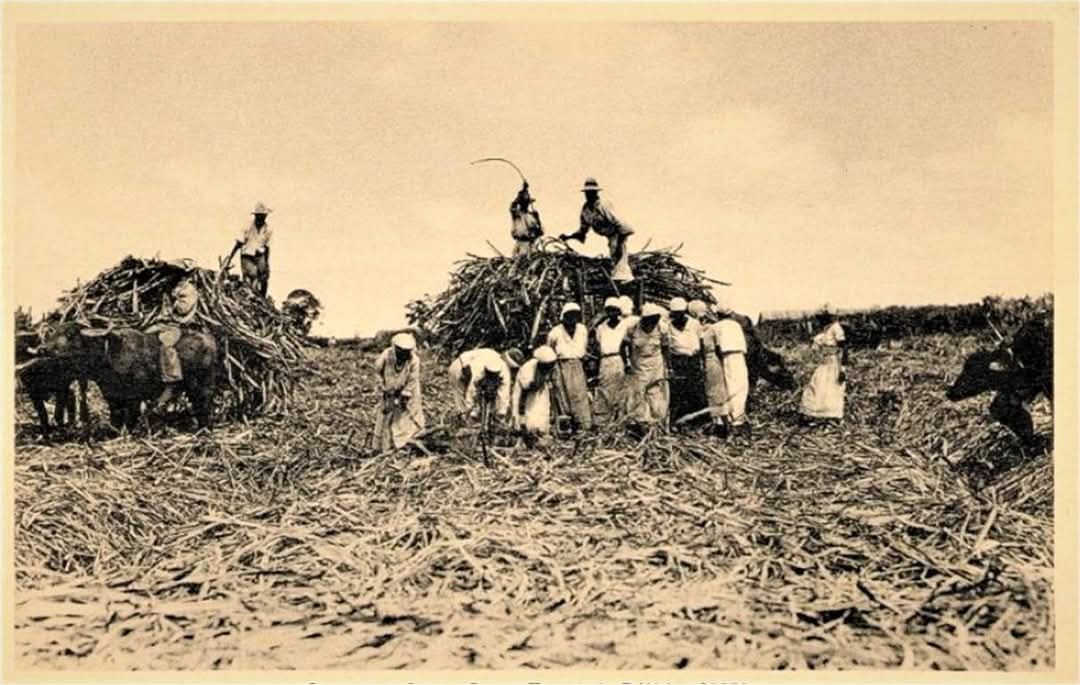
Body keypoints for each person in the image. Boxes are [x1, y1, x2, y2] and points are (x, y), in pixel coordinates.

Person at [560, 177, 636, 286]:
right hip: (608, 234)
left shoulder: (603, 206)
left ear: (596, 193)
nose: (589, 195)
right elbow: (583, 230)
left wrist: (620, 240)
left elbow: (619, 222)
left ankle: (624, 279)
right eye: (587, 193)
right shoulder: (586, 210)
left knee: (618, 254)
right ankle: (616, 277)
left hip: (617, 231)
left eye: (592, 192)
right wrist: (568, 237)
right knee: (613, 254)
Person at [147, 275, 200, 413]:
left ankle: (172, 378)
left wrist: (175, 301)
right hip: (164, 323)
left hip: (179, 325)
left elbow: (184, 309)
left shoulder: (188, 289)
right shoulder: (170, 289)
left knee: (167, 344)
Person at [704, 293, 751, 437]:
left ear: (718, 314)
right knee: (740, 387)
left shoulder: (715, 327)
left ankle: (730, 421)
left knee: (729, 388)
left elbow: (717, 347)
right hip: (740, 358)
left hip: (726, 357)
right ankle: (737, 419)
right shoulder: (736, 325)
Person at [546, 302, 593, 432]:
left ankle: (582, 426)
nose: (572, 319)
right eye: (569, 315)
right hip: (560, 366)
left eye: (575, 315)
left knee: (579, 395)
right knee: (562, 396)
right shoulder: (555, 332)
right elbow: (549, 351)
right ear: (564, 316)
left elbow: (584, 347)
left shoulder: (582, 330)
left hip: (577, 365)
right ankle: (566, 428)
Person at [374, 332, 425, 450]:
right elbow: (377, 372)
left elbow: (412, 380)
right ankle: (383, 445)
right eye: (401, 351)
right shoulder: (386, 356)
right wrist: (383, 388)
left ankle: (405, 442)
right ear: (395, 348)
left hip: (409, 390)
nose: (404, 354)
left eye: (407, 352)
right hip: (389, 389)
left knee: (407, 415)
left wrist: (402, 398)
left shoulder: (414, 360)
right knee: (385, 414)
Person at [447, 347, 523, 423]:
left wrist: (501, 412)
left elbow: (503, 394)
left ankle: (469, 418)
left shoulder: (500, 365)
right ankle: (465, 421)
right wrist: (469, 407)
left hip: (463, 367)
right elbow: (473, 387)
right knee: (462, 399)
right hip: (460, 367)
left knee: (470, 398)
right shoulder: (487, 364)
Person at [625, 302, 670, 429]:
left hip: (656, 364)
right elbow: (624, 346)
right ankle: (639, 422)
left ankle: (658, 422)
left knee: (655, 392)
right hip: (639, 364)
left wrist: (668, 366)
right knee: (638, 393)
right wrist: (627, 363)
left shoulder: (662, 328)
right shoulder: (633, 328)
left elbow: (666, 348)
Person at [800, 309, 847, 422]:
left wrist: (843, 369)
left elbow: (844, 349)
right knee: (817, 386)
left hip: (833, 363)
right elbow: (817, 346)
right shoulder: (826, 330)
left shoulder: (836, 328)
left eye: (824, 317)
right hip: (824, 363)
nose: (821, 320)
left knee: (831, 389)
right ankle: (818, 415)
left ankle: (832, 416)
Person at [666, 297, 707, 426]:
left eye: (680, 313)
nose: (677, 317)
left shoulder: (694, 324)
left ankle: (697, 421)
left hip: (692, 360)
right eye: (675, 314)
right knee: (679, 391)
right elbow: (667, 346)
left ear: (684, 312)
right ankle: (679, 421)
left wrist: (702, 362)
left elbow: (701, 343)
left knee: (695, 389)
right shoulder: (668, 325)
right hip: (678, 360)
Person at [593, 297, 632, 422]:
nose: (612, 313)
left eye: (615, 310)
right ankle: (604, 419)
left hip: (618, 359)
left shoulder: (625, 325)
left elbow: (627, 345)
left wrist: (627, 362)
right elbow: (599, 346)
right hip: (605, 360)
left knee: (621, 389)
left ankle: (620, 419)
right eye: (609, 310)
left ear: (619, 311)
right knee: (604, 389)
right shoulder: (601, 328)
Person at [512, 345, 558, 445]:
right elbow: (525, 392)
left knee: (542, 415)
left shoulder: (547, 368)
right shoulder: (527, 369)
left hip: (540, 394)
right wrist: (521, 417)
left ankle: (540, 433)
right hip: (528, 396)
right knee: (530, 419)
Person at [230, 202, 273, 296]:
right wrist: (230, 257)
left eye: (263, 216)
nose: (261, 218)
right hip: (247, 255)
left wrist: (267, 263)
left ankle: (262, 298)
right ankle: (251, 294)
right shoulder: (247, 226)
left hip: (260, 255)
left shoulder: (268, 229)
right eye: (259, 216)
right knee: (253, 275)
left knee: (264, 277)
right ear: (255, 216)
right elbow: (239, 243)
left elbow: (267, 247)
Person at [510, 182, 543, 257]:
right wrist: (523, 189)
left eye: (526, 203)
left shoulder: (532, 216)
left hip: (532, 246)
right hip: (521, 245)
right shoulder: (517, 215)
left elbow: (540, 232)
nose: (525, 204)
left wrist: (538, 220)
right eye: (522, 203)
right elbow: (513, 206)